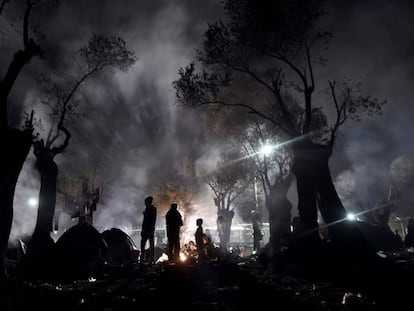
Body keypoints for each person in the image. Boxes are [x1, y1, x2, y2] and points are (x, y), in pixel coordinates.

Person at [140, 196, 157, 263]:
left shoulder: (150, 209)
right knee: (149, 244)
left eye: (145, 202)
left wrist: (146, 213)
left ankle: (146, 259)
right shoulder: (151, 209)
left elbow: (148, 220)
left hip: (148, 229)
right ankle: (150, 258)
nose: (145, 203)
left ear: (148, 202)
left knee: (145, 244)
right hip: (149, 229)